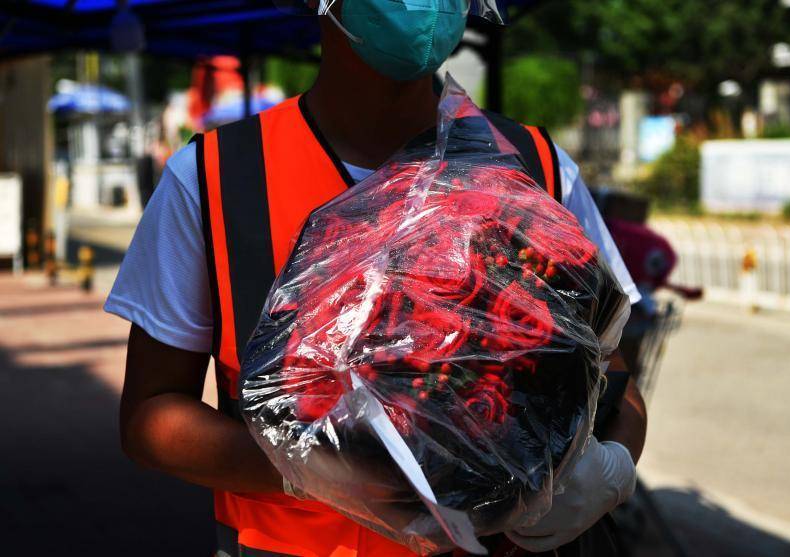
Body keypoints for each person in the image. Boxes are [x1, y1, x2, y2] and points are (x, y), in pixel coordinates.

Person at [106, 1, 647, 555]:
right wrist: (320, 471)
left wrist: (609, 470)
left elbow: (617, 380)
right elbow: (152, 416)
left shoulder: (535, 167)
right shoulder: (216, 177)